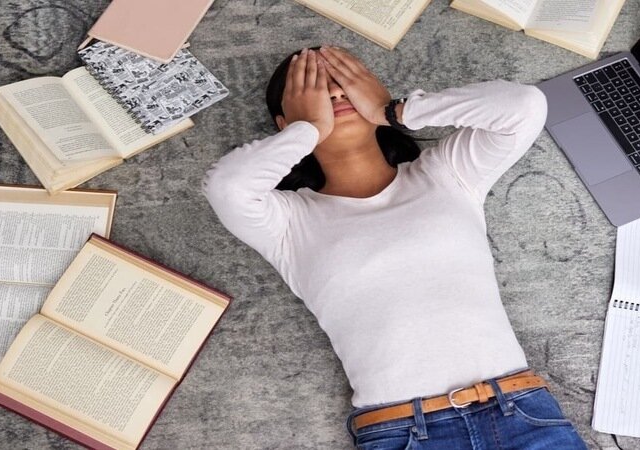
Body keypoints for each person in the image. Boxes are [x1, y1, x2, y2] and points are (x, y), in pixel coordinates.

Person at [203, 46, 587, 449]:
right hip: (403, 433)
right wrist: (308, 128)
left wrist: (395, 110)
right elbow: (226, 187)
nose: (335, 93)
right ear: (285, 124)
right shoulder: (285, 222)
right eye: (314, 89)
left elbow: (525, 105)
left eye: (343, 81)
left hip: (520, 412)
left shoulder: (447, 172)